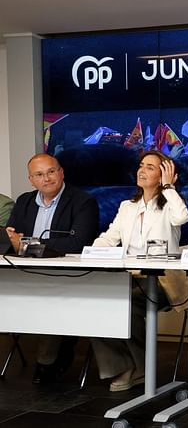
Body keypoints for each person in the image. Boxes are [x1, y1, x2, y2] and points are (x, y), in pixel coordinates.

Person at [90, 150, 188, 392]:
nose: (142, 170)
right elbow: (109, 238)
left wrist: (168, 187)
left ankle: (141, 368)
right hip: (129, 278)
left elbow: (182, 217)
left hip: (163, 281)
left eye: (151, 167)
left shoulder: (170, 204)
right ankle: (124, 367)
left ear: (165, 175)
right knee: (96, 301)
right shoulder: (127, 206)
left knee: (127, 300)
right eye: (141, 165)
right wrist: (90, 253)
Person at [5, 153, 99, 384]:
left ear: (61, 173)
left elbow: (78, 243)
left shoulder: (83, 201)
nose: (46, 178)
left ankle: (48, 361)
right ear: (31, 180)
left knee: (52, 297)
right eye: (39, 174)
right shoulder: (24, 201)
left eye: (51, 172)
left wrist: (27, 244)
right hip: (24, 274)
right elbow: (9, 239)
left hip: (67, 276)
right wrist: (18, 243)